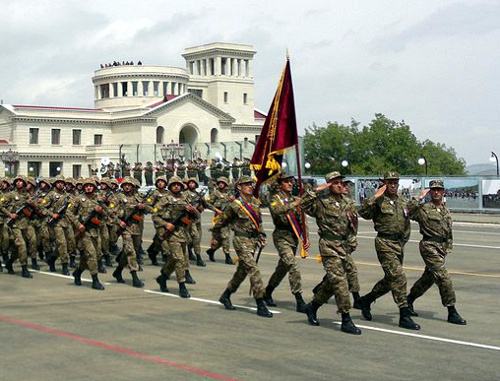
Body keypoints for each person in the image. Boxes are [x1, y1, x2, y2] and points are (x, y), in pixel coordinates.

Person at [300, 171, 361, 334]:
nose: (341, 185)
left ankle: (312, 307)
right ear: (328, 185)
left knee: (332, 283)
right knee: (340, 282)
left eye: (341, 182)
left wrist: (352, 240)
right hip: (328, 245)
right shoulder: (321, 202)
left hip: (344, 246)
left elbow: (352, 224)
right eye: (336, 183)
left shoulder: (348, 202)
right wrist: (315, 191)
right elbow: (302, 205)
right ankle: (346, 319)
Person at [358, 171, 420, 330]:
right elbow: (363, 213)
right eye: (389, 182)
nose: (393, 185)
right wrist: (374, 197)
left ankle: (366, 300)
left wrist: (403, 240)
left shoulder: (401, 201)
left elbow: (407, 222)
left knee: (390, 281)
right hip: (384, 243)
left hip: (398, 244)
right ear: (384, 183)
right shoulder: (379, 201)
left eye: (395, 182)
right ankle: (404, 315)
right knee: (399, 277)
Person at [406, 180, 466, 325]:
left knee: (429, 278)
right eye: (433, 190)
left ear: (443, 191)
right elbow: (407, 211)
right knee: (443, 277)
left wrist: (448, 247)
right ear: (430, 192)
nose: (436, 192)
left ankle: (408, 301)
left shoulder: (445, 209)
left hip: (441, 248)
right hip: (429, 246)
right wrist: (419, 198)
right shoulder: (424, 209)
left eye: (439, 190)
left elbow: (448, 230)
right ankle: (452, 311)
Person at [215, 175, 272, 318]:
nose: (250, 186)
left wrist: (262, 236)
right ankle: (260, 303)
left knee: (242, 272)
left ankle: (226, 295)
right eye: (246, 184)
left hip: (253, 241)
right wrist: (216, 238)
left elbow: (259, 222)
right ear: (239, 187)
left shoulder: (255, 202)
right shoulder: (234, 205)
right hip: (241, 240)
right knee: (253, 269)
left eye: (251, 184)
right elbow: (222, 221)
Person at [263, 172, 308, 313]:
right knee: (292, 265)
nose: (290, 184)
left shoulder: (295, 199)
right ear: (280, 184)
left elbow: (301, 220)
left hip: (293, 237)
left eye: (291, 181)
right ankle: (299, 300)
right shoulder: (274, 198)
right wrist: (294, 204)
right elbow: (276, 211)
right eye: (286, 181)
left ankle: (268, 291)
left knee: (283, 268)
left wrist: (305, 238)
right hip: (281, 237)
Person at [153, 176, 198, 298]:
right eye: (174, 185)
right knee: (179, 260)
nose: (177, 186)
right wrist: (165, 224)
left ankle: (163, 277)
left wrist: (193, 211)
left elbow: (196, 217)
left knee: (175, 259)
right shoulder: (165, 199)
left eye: (178, 184)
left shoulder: (186, 198)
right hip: (172, 234)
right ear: (170, 187)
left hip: (184, 233)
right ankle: (182, 286)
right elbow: (155, 215)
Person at [68, 178, 106, 290]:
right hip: (83, 232)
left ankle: (78, 272)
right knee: (92, 255)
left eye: (91, 186)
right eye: (86, 186)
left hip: (95, 231)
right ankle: (95, 280)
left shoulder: (98, 200)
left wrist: (101, 211)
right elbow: (68, 212)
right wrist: (78, 224)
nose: (88, 187)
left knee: (87, 257)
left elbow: (107, 215)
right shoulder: (78, 199)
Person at [205, 177, 235, 264]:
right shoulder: (215, 193)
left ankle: (215, 252)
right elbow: (207, 203)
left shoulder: (230, 194)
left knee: (223, 238)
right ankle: (222, 254)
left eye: (223, 183)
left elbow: (234, 205)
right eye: (219, 183)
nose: (221, 184)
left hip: (227, 218)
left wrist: (233, 200)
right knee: (220, 238)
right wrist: (215, 209)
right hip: (218, 218)